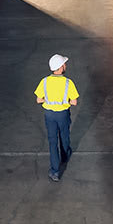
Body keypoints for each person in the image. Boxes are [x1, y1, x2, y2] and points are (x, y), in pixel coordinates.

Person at [34, 54, 79, 182]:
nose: (66, 65)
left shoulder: (44, 81)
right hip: (63, 114)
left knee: (52, 142)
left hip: (49, 115)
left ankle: (55, 171)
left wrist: (49, 100)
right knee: (64, 137)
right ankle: (65, 156)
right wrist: (64, 102)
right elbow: (74, 102)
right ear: (60, 67)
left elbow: (38, 100)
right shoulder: (68, 83)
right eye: (64, 64)